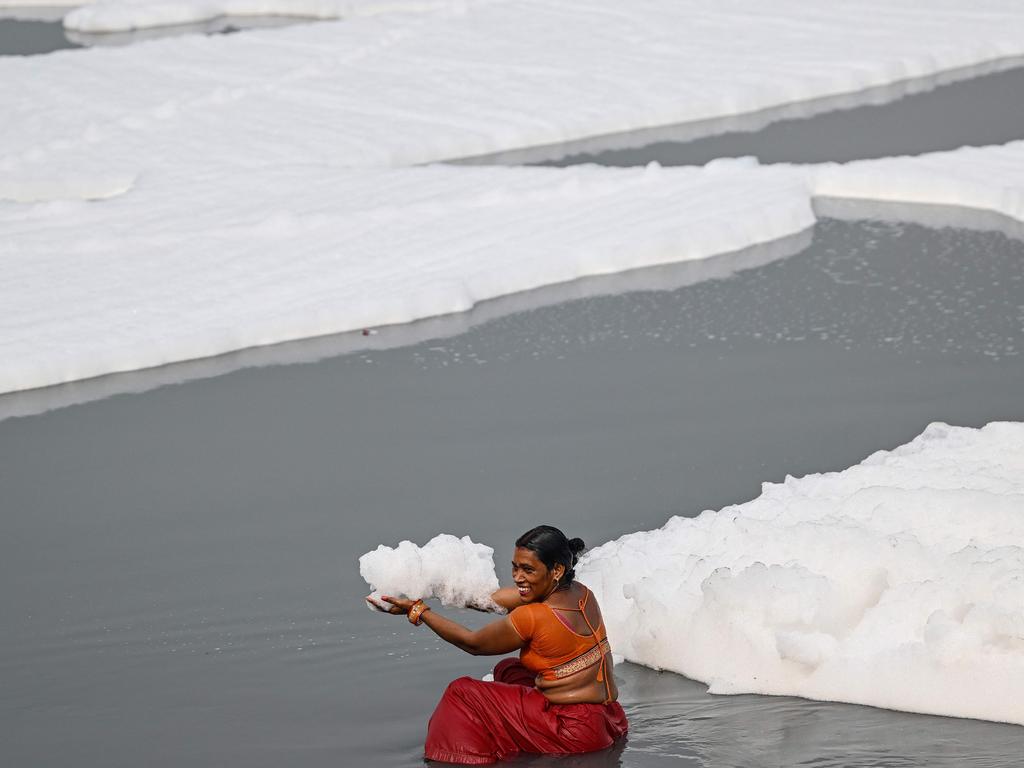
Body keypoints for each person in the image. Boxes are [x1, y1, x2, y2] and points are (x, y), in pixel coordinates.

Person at [368, 525, 628, 764]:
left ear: (556, 570)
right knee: (509, 670)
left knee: (461, 693)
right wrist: (434, 587)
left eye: (528, 570)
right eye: (515, 567)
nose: (517, 577)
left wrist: (419, 611)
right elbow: (493, 600)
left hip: (572, 731)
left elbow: (474, 644)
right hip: (607, 721)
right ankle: (519, 740)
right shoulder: (581, 593)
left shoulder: (533, 616)